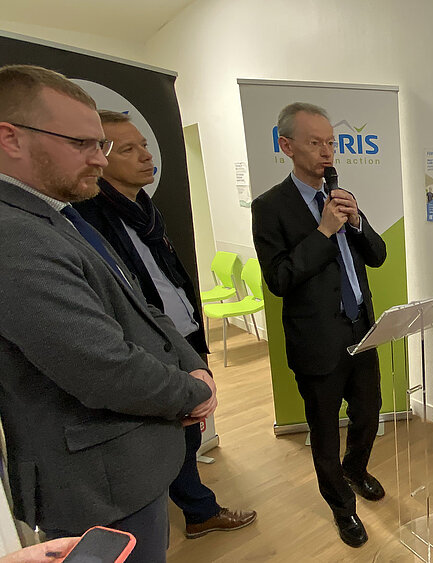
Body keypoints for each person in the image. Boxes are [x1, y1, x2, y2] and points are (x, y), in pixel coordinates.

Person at [0, 64, 216, 563]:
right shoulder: (14, 235)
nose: (100, 159)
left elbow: (141, 303)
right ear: (10, 138)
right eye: (83, 144)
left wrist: (190, 361)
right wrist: (195, 390)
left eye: (102, 144)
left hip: (127, 465)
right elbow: (101, 368)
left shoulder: (59, 213)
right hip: (98, 481)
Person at [74, 110, 257, 540]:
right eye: (129, 149)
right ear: (100, 158)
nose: (145, 156)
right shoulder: (90, 220)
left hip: (184, 336)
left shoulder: (147, 212)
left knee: (191, 430)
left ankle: (195, 508)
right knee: (167, 435)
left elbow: (167, 276)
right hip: (146, 348)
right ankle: (199, 511)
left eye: (145, 145)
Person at [251, 102, 387, 548]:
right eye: (316, 143)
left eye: (331, 142)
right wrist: (325, 232)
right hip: (317, 342)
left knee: (368, 415)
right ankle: (342, 508)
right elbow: (279, 279)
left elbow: (378, 256)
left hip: (362, 331)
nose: (328, 151)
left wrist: (357, 221)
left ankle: (358, 469)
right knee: (325, 433)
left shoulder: (341, 199)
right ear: (286, 146)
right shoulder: (270, 207)